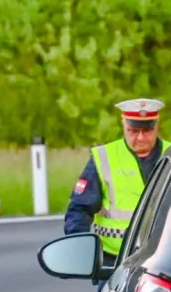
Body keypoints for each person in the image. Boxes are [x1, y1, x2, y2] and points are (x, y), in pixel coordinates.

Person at [64, 98, 169, 260]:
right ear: (124, 125)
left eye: (147, 131)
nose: (140, 138)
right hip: (114, 261)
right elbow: (79, 210)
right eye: (133, 131)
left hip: (163, 261)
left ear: (157, 126)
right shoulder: (104, 157)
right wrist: (80, 250)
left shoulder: (169, 153)